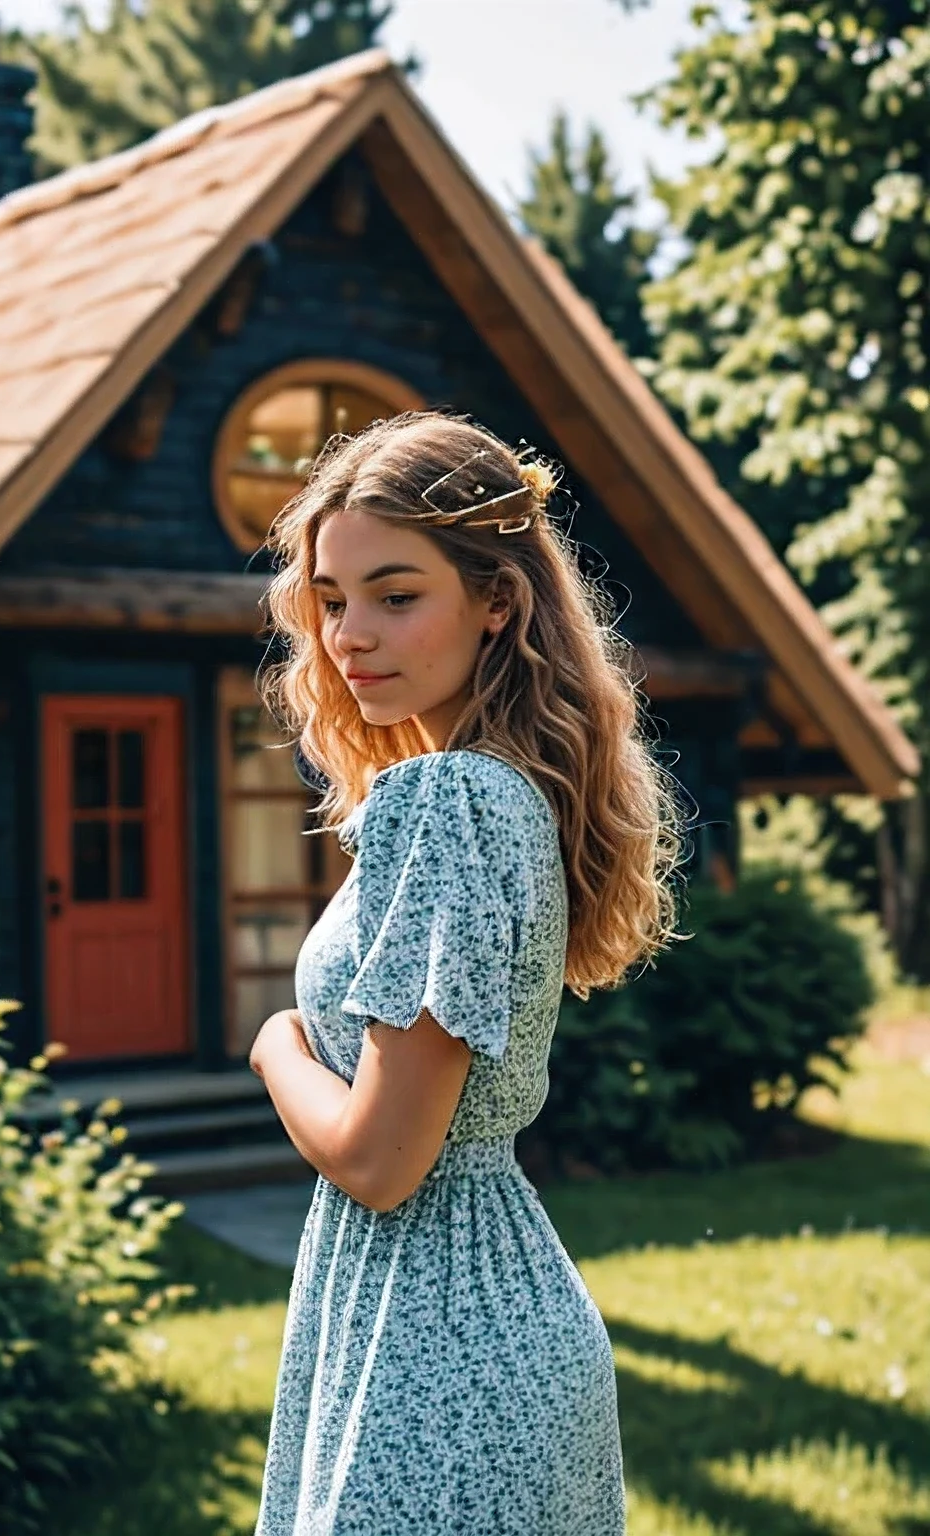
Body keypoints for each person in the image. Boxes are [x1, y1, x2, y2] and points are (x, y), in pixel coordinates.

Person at [247, 411, 686, 1535]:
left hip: (439, 1350)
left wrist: (275, 1049)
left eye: (397, 595)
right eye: (333, 601)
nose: (351, 636)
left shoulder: (448, 802)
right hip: (474, 1311)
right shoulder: (495, 792)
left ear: (498, 601)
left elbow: (384, 1162)